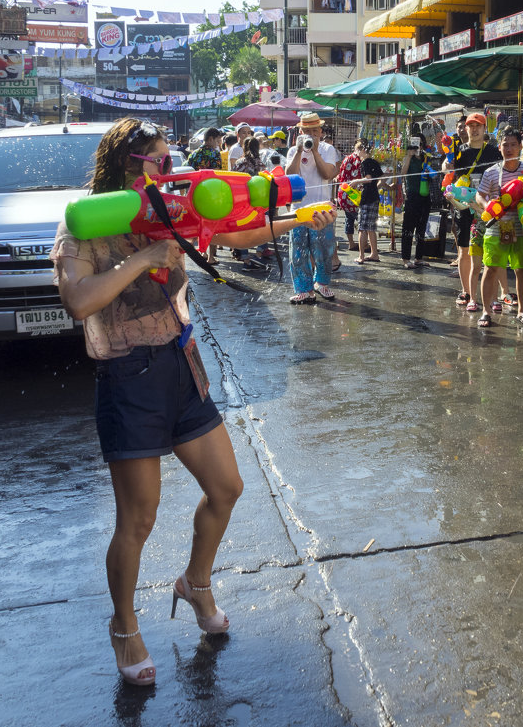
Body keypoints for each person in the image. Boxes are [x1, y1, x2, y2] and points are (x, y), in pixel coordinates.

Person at [49, 118, 333, 687]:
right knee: (139, 519)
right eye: (157, 160)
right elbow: (79, 302)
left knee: (226, 488)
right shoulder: (84, 224)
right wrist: (143, 255)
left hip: (182, 367)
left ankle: (195, 581)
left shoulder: (177, 209)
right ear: (127, 166)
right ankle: (125, 627)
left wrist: (301, 215)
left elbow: (236, 236)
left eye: (168, 157)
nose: (169, 170)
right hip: (127, 378)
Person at [474, 128, 523, 330]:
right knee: (490, 269)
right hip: (495, 226)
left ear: (520, 146)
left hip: (520, 225)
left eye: (513, 144)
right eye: (505, 145)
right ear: (499, 147)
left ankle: (522, 311)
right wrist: (487, 206)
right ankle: (486, 311)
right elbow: (479, 195)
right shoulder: (491, 171)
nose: (509, 148)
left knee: (521, 270)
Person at [446, 113, 501, 312]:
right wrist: (447, 170)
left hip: (486, 206)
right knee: (464, 251)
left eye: (478, 126)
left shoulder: (494, 151)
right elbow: (453, 175)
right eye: (471, 126)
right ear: (465, 129)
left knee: (490, 251)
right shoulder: (458, 151)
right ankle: (467, 292)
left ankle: (492, 296)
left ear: (484, 128)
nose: (474, 129)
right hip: (465, 205)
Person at [286, 112, 340, 303]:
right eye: (306, 131)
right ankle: (303, 289)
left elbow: (327, 174)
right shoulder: (293, 151)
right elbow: (289, 177)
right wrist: (301, 150)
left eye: (314, 131)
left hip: (322, 207)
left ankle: (322, 284)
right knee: (298, 251)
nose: (310, 135)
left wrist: (315, 151)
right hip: (299, 208)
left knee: (323, 249)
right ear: (300, 132)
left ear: (320, 131)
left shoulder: (327, 149)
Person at [400, 138, 430, 269]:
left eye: (419, 144)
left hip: (425, 195)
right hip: (412, 195)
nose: (416, 147)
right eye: (414, 144)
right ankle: (406, 258)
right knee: (408, 228)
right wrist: (409, 154)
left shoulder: (426, 158)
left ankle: (418, 258)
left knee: (422, 228)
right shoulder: (408, 158)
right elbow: (402, 173)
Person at [351, 140, 382, 265]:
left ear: (362, 150)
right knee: (371, 228)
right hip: (374, 197)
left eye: (357, 150)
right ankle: (374, 253)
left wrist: (356, 182)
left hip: (367, 198)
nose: (356, 153)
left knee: (362, 228)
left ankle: (361, 256)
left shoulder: (364, 163)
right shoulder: (374, 162)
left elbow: (368, 179)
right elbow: (381, 178)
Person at [335, 140, 364, 254]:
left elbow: (340, 176)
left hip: (343, 191)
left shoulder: (347, 158)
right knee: (361, 219)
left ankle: (351, 243)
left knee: (349, 218)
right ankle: (364, 244)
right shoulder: (359, 160)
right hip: (354, 193)